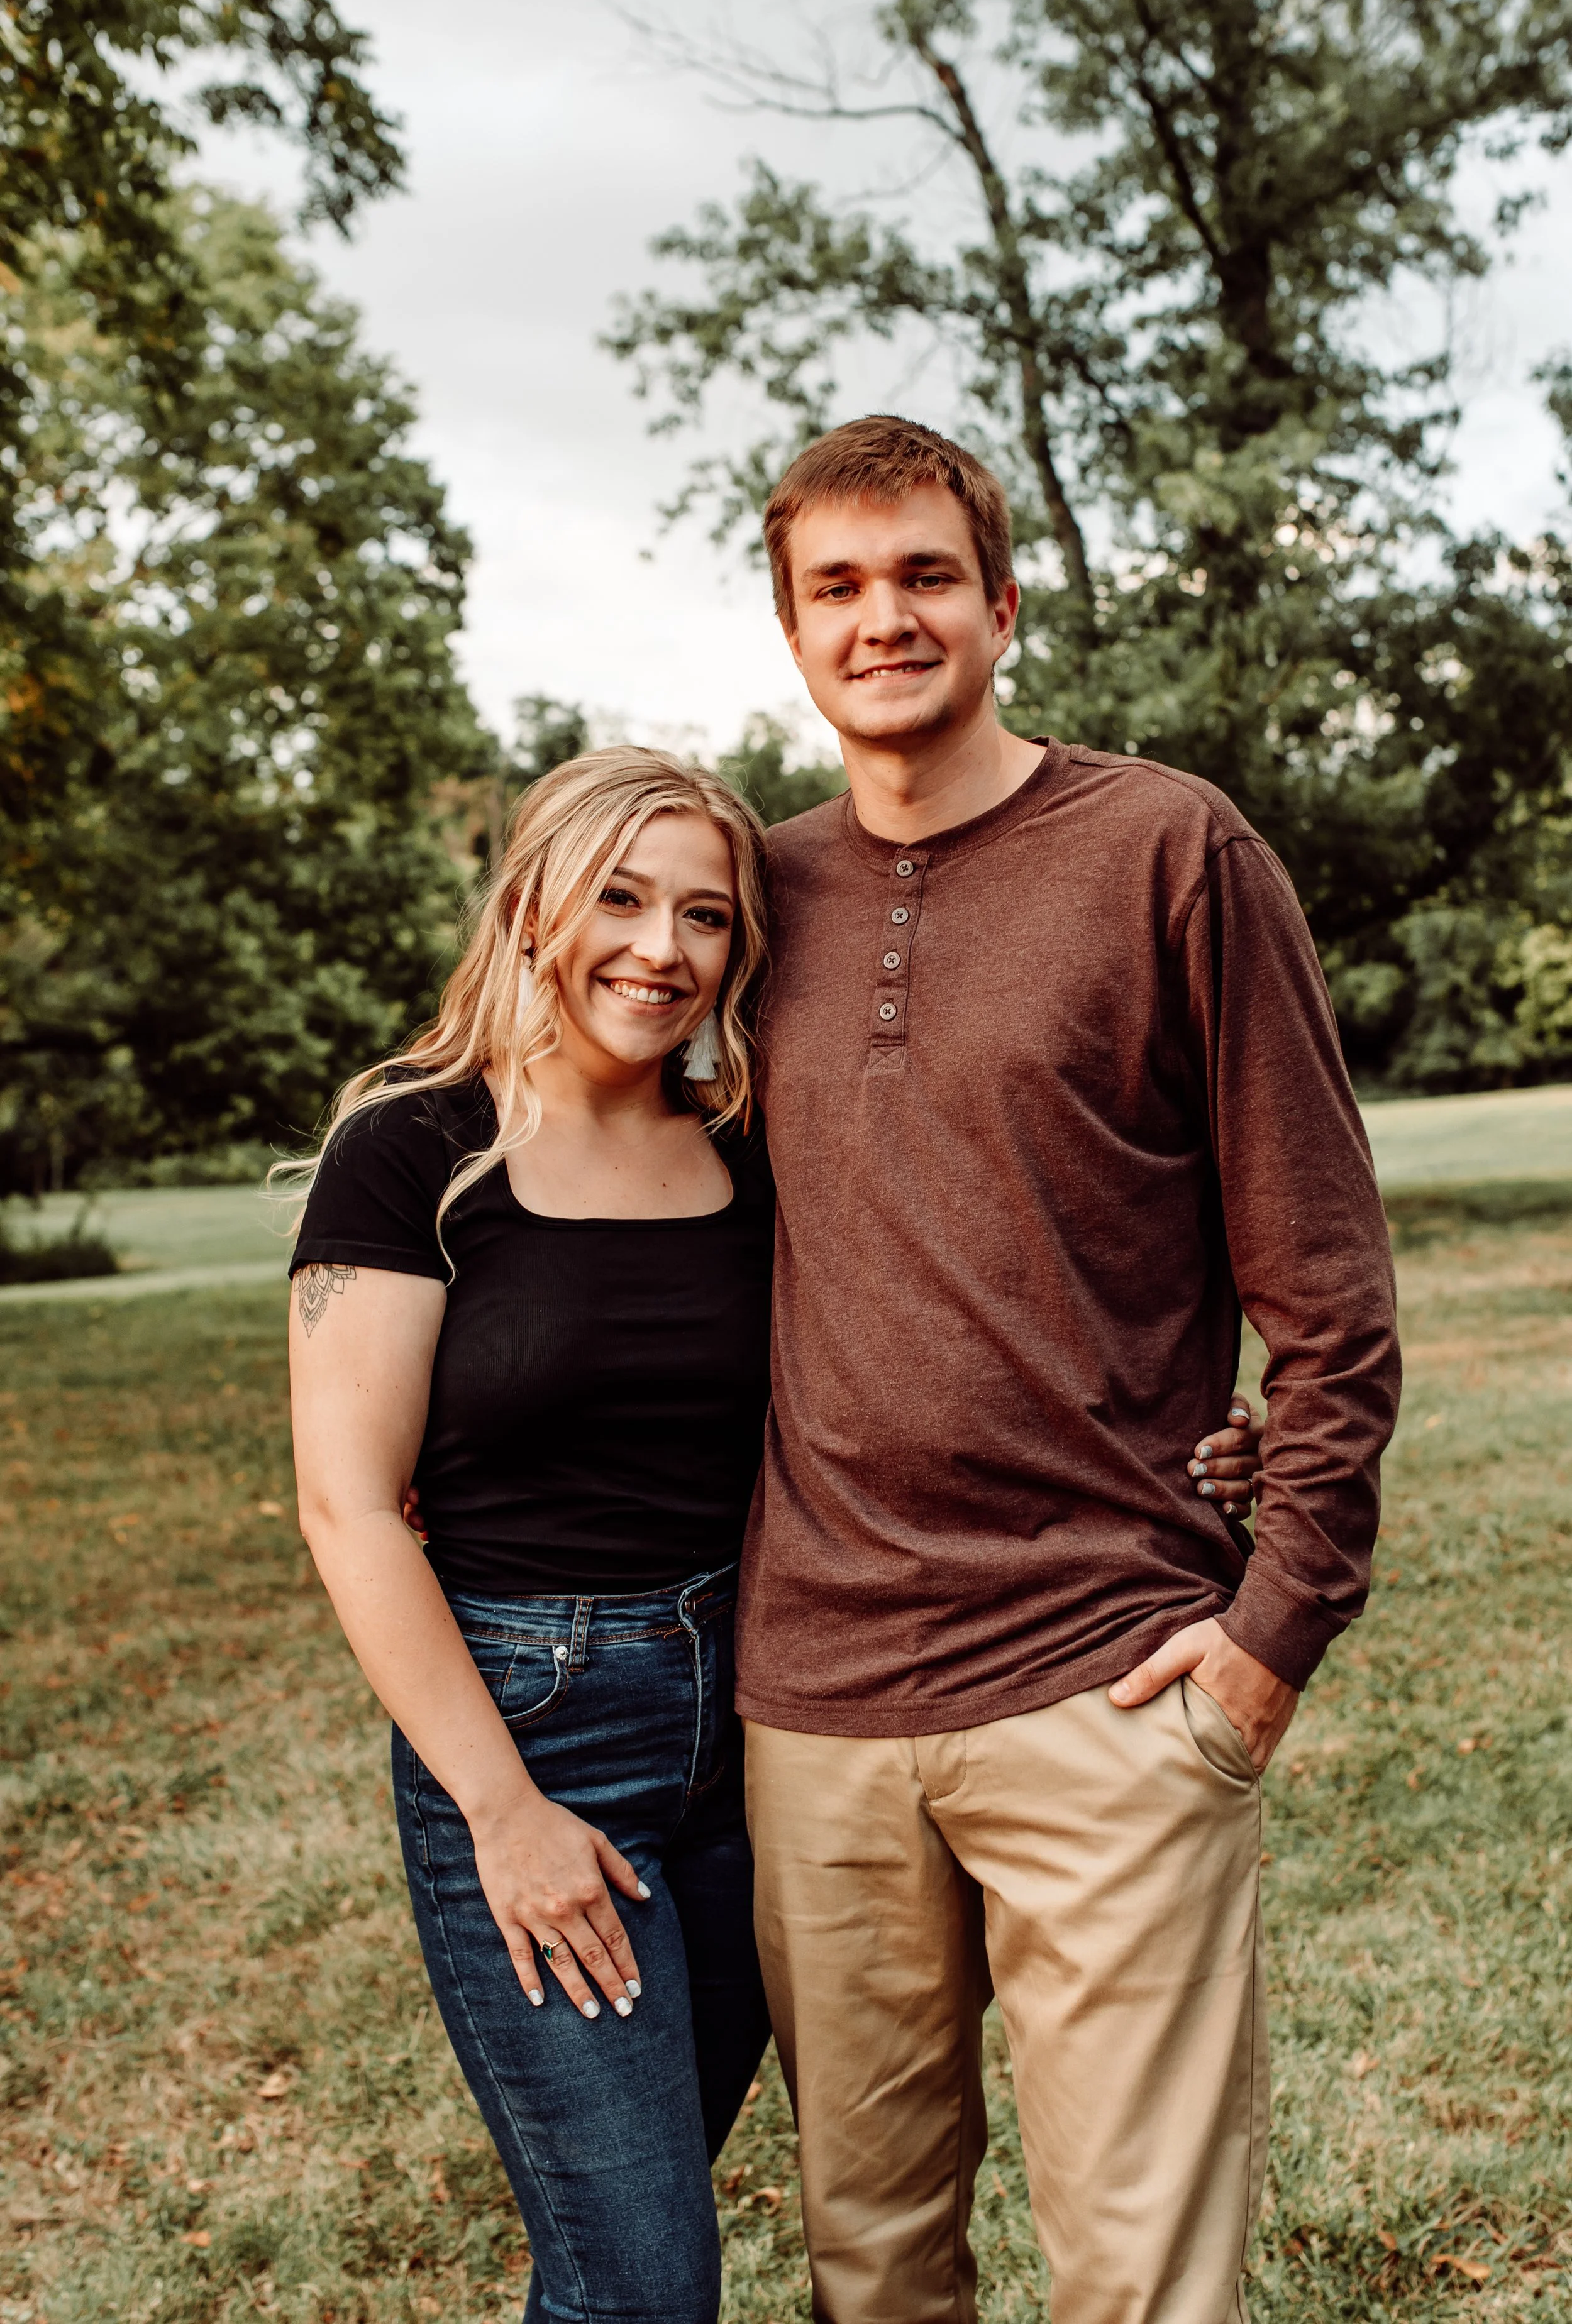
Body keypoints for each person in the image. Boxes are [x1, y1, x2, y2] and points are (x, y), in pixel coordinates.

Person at [735, 416, 1403, 2324]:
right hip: (817, 1698)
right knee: (870, 2271)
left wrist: (1277, 1622)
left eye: (924, 573)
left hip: (1109, 1677)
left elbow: (1332, 1288)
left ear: (1004, 600)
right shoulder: (745, 903)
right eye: (837, 586)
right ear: (790, 633)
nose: (885, 617)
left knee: (1144, 2286)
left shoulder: (1167, 850)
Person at [282, 748, 777, 2324]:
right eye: (620, 897)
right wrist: (501, 1812)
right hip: (539, 1733)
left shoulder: (748, 1150)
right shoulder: (417, 1149)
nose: (662, 947)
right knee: (643, 2281)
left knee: (622, 2247)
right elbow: (348, 1507)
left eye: (705, 914)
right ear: (532, 904)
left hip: (763, 1728)